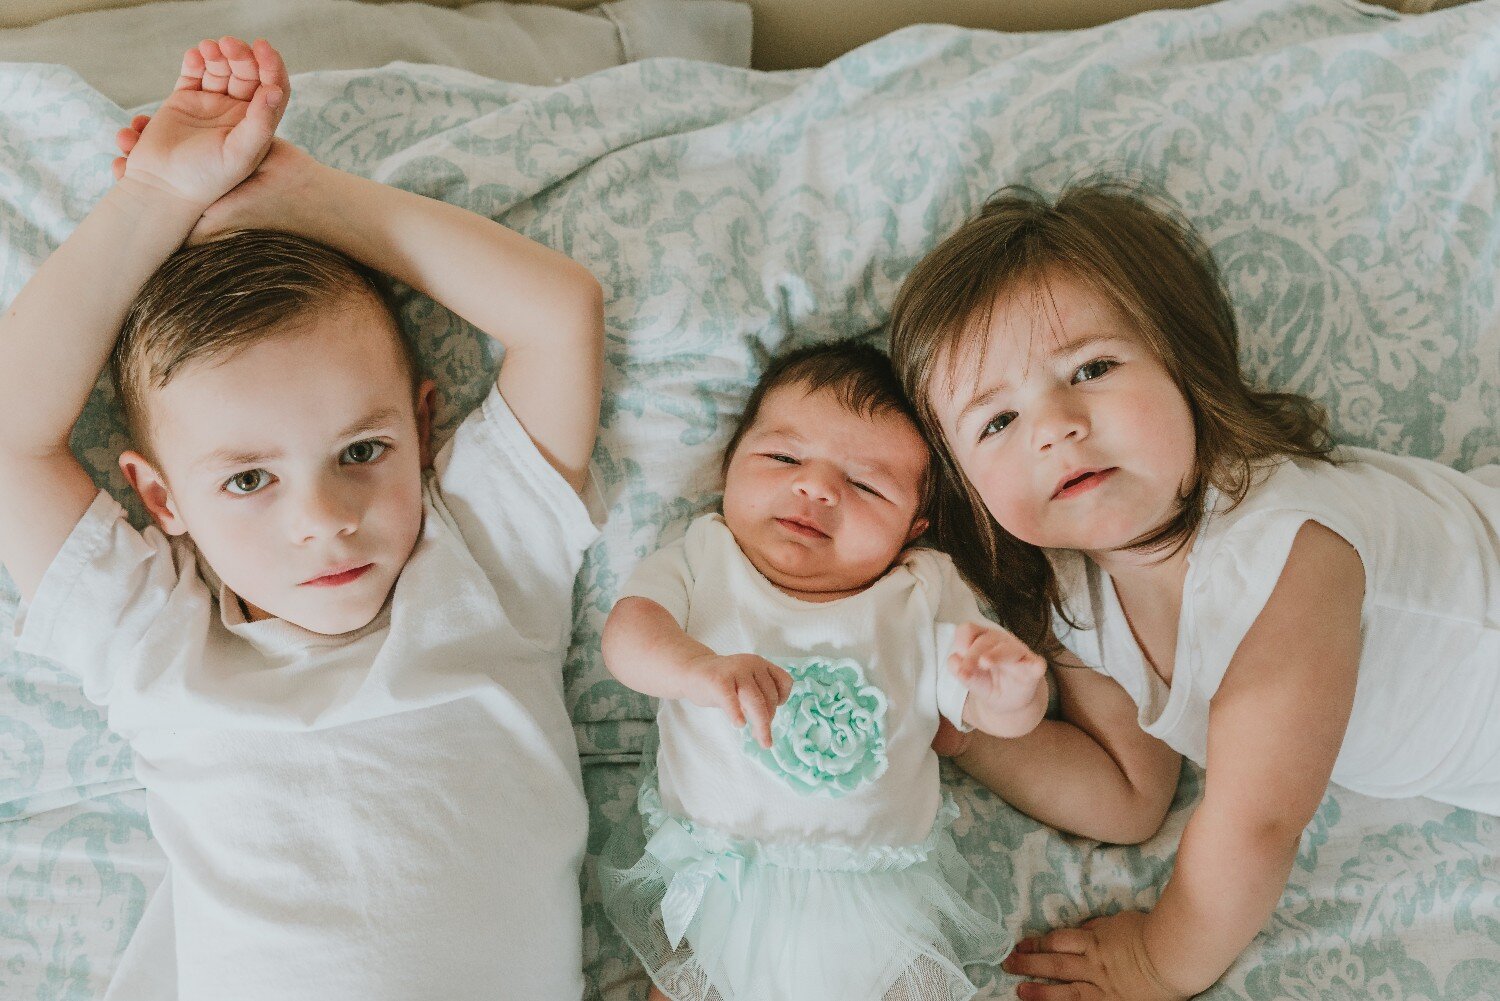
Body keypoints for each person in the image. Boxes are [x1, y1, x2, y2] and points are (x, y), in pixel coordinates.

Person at [0, 36, 605, 1000]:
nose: (325, 521)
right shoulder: (158, 646)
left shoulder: (486, 564)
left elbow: (561, 312)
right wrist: (152, 199)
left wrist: (315, 200)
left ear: (421, 424)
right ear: (162, 499)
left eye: (361, 454)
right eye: (247, 481)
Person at [887, 181, 1500, 1001]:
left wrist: (1157, 959)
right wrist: (953, 724)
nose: (1054, 423)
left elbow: (1257, 822)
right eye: (996, 422)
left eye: (1091, 368)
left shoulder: (1285, 552)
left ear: (1185, 361)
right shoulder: (1079, 592)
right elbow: (1130, 793)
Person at [599, 340, 1048, 1001]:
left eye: (864, 483)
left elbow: (982, 708)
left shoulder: (921, 590)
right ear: (729, 465)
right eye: (782, 457)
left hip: (881, 901)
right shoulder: (705, 554)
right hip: (723, 884)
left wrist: (1015, 694)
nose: (815, 486)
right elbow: (627, 636)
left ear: (913, 526)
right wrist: (700, 668)